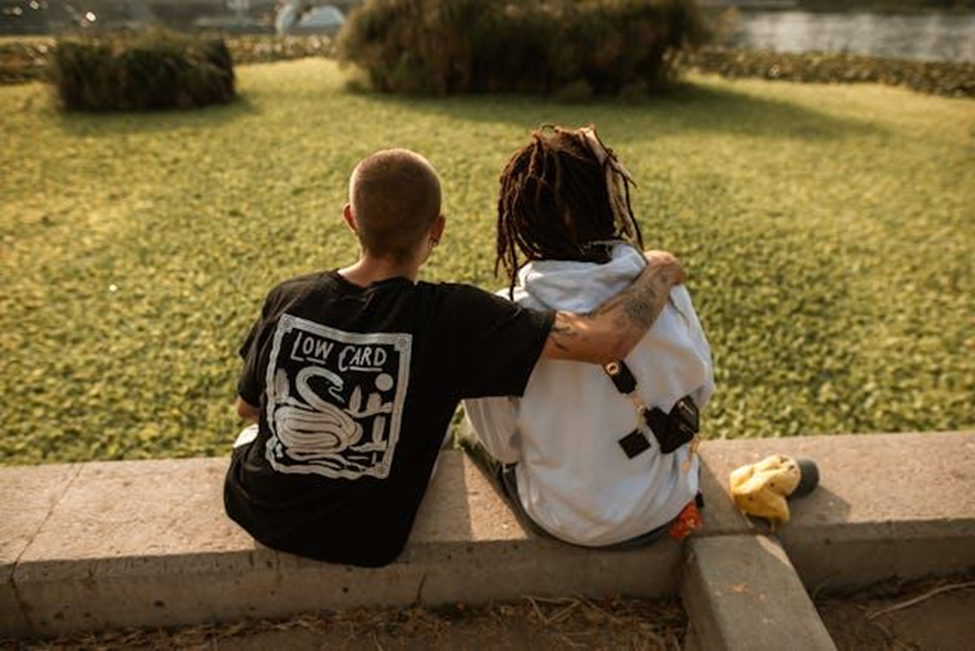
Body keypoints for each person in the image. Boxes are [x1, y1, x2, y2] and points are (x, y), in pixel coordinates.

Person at [223, 148, 686, 567]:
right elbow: (607, 340)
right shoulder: (454, 317)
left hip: (257, 509)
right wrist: (660, 268)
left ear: (350, 218)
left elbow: (250, 409)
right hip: (366, 540)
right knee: (443, 429)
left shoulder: (288, 297)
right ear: (437, 229)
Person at [463, 126, 714, 548]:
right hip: (664, 503)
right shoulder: (661, 286)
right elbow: (701, 391)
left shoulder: (504, 317)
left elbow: (503, 447)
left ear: (519, 219)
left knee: (471, 435)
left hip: (562, 518)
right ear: (611, 202)